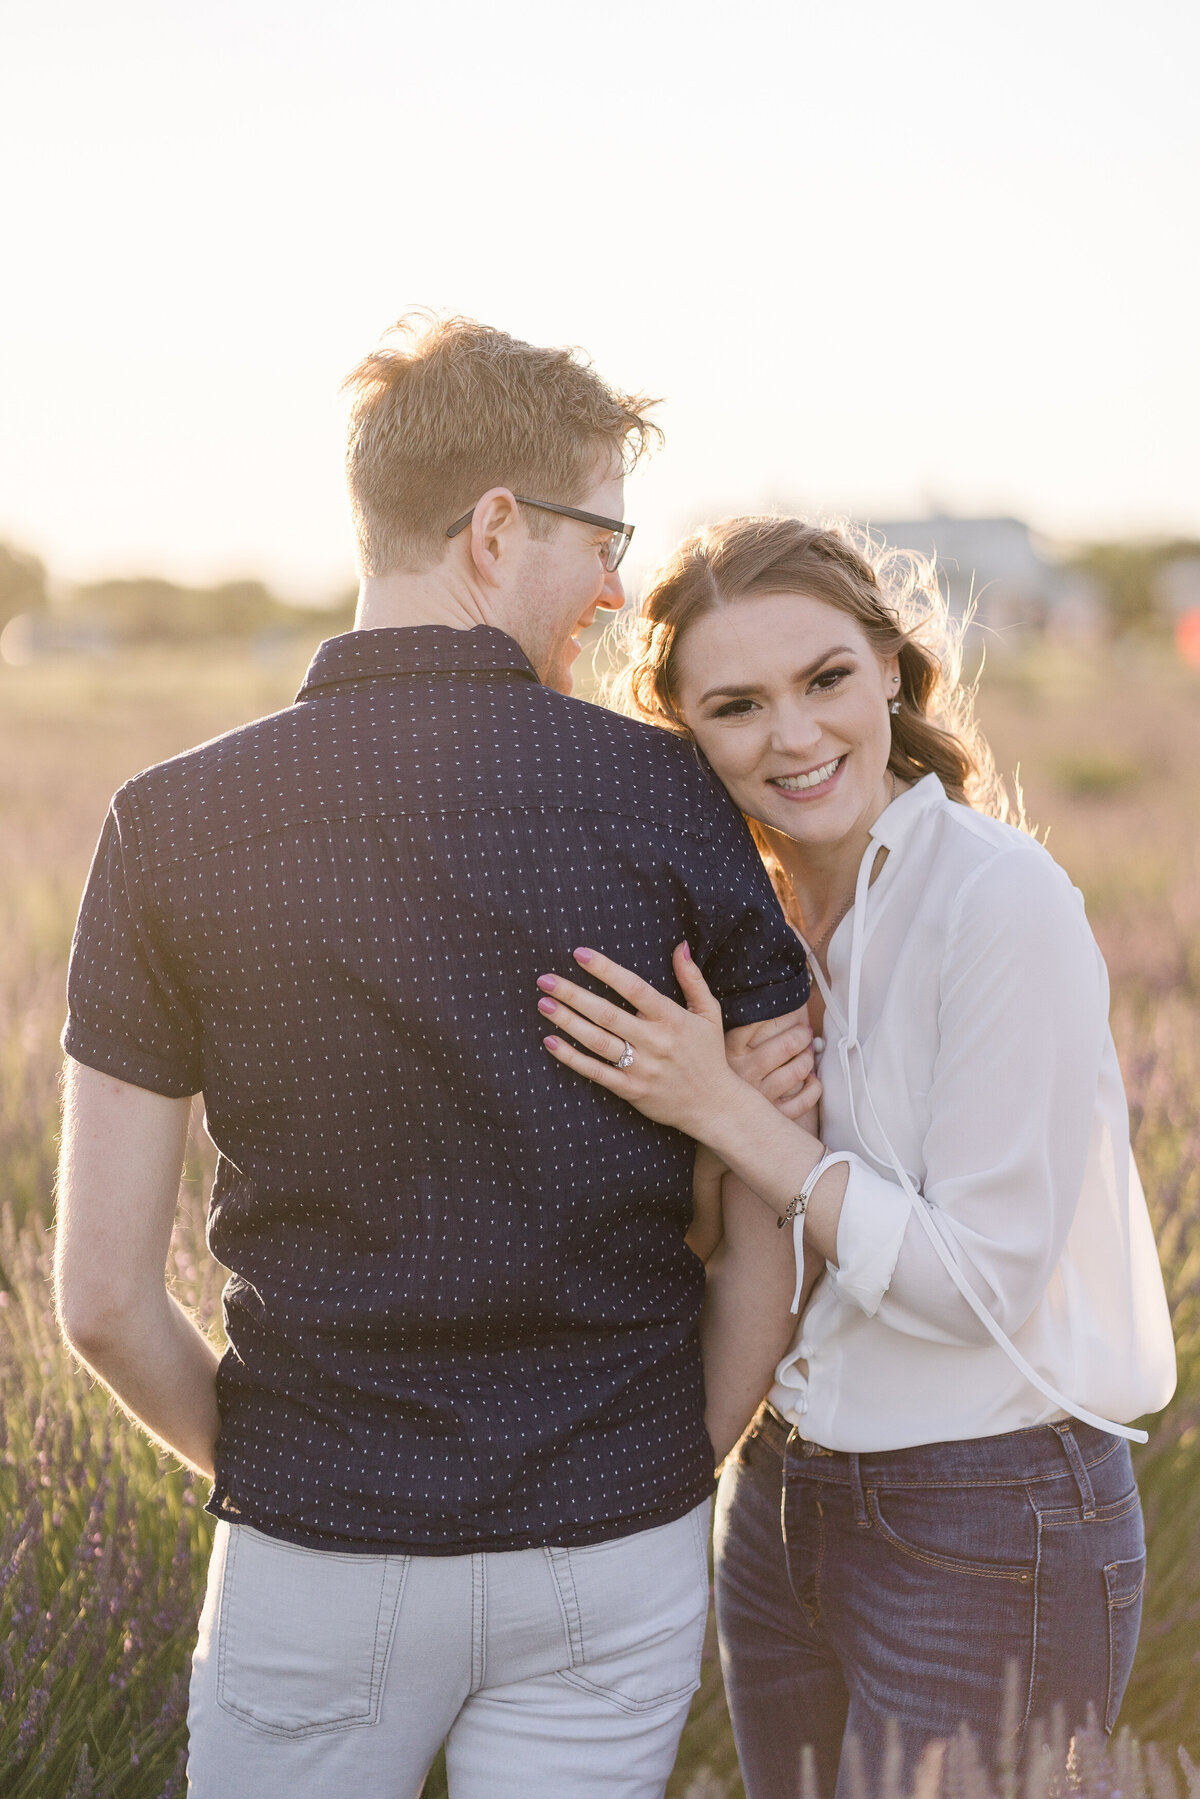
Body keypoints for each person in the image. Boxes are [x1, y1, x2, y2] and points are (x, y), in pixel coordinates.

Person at [53, 321, 816, 1799]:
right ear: (495, 526)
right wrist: (679, 1456)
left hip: (316, 1544)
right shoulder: (669, 789)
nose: (616, 584)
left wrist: (283, 1478)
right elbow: (768, 1195)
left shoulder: (169, 823)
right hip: (618, 1530)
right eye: (604, 535)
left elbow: (96, 1297)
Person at [533, 515, 1177, 1797]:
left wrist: (724, 1109)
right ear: (686, 733)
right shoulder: (731, 924)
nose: (795, 734)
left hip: (991, 1507)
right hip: (780, 1494)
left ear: (889, 666)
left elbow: (975, 1284)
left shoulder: (996, 903)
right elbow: (714, 1242)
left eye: (826, 678)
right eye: (737, 704)